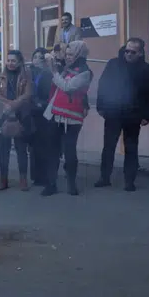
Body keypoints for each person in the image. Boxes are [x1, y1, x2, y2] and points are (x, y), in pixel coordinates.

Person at [95, 38, 149, 191]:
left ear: (140, 53)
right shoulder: (113, 64)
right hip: (112, 112)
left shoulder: (146, 69)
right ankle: (104, 177)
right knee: (108, 146)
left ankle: (129, 181)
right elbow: (102, 85)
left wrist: (147, 115)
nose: (128, 54)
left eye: (132, 52)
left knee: (131, 148)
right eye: (127, 51)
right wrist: (100, 106)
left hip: (133, 115)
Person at [42, 40, 93, 196]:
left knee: (70, 152)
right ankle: (51, 184)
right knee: (52, 151)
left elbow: (67, 87)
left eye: (71, 54)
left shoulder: (85, 72)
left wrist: (54, 71)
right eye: (67, 54)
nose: (68, 57)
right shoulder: (66, 67)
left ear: (79, 54)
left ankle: (71, 183)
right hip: (55, 114)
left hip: (72, 117)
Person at [0, 50, 33, 191]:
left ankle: (23, 180)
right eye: (8, 60)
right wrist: (7, 106)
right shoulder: (0, 76)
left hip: (21, 116)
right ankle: (3, 180)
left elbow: (27, 94)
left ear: (19, 62)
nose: (10, 63)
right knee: (3, 150)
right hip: (4, 116)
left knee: (21, 149)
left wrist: (13, 105)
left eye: (13, 61)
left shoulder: (26, 76)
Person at [28, 48, 53, 186]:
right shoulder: (28, 73)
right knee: (33, 147)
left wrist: (41, 103)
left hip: (44, 113)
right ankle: (35, 176)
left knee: (44, 145)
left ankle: (45, 175)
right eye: (35, 57)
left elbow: (50, 93)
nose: (37, 60)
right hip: (32, 112)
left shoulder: (47, 74)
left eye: (40, 57)